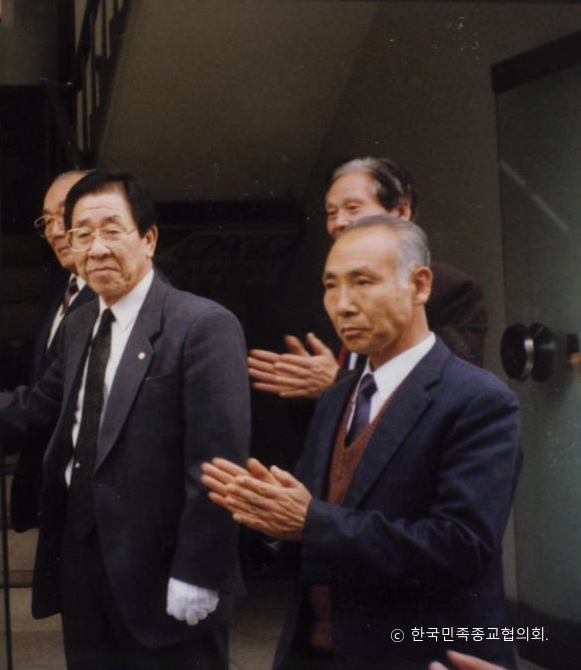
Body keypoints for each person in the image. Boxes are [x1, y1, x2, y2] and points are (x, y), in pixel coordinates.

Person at [0, 169, 250, 670]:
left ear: (148, 238)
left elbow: (217, 462)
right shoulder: (79, 323)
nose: (95, 249)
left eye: (111, 230)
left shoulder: (201, 325)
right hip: (81, 560)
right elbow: (40, 407)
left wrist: (200, 569)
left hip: (164, 570)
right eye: (81, 234)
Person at [202, 217, 519, 670]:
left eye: (363, 282)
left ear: (420, 284)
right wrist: (271, 524)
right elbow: (312, 521)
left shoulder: (478, 399)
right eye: (331, 286)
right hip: (311, 651)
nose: (342, 305)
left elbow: (461, 547)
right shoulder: (336, 398)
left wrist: (311, 522)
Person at [249, 156, 487, 403]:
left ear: (401, 211)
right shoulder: (330, 296)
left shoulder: (450, 287)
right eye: (331, 213)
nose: (339, 222)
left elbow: (451, 387)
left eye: (353, 208)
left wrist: (338, 383)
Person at [0, 168, 95, 530]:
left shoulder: (107, 302)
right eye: (47, 220)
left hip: (83, 498)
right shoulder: (63, 285)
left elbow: (56, 406)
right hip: (46, 495)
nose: (55, 231)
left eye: (64, 215)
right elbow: (35, 374)